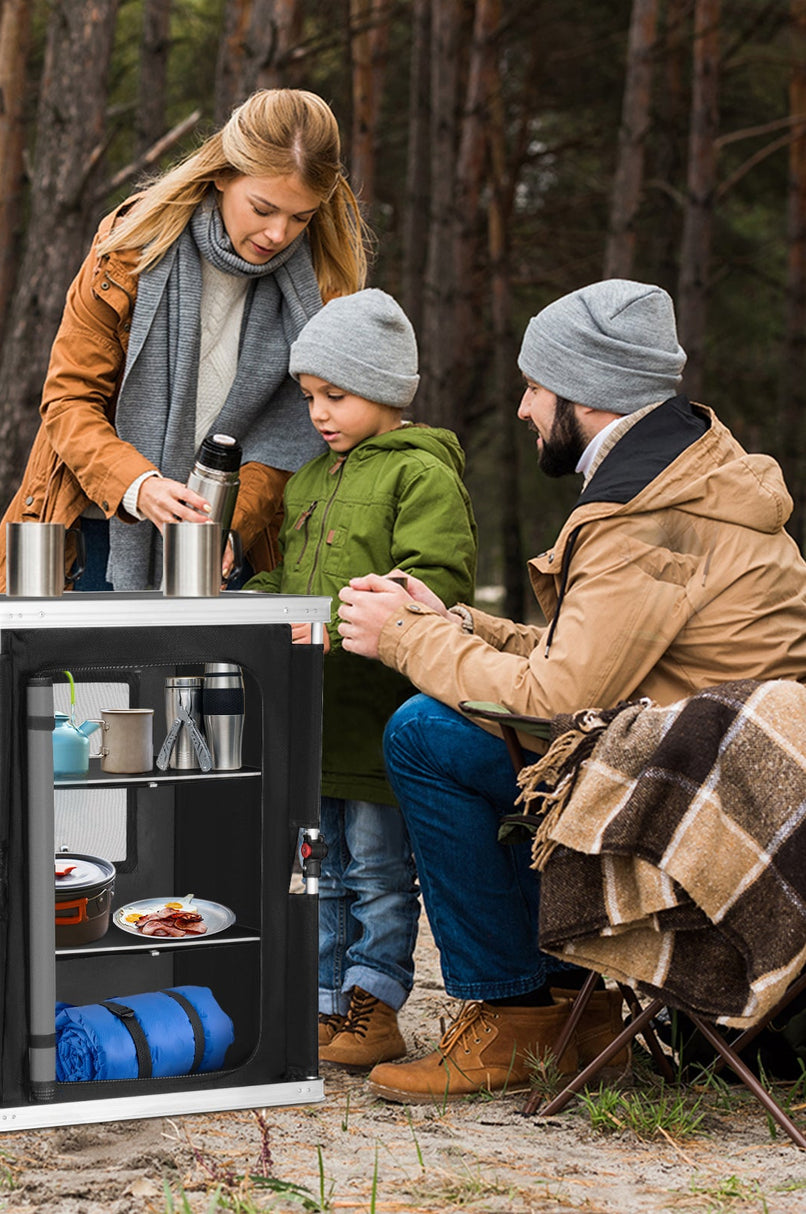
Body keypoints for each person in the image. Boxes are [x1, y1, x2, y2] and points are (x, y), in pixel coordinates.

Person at [336, 279, 806, 1102]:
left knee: (425, 734)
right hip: (722, 778)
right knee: (475, 729)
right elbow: (597, 663)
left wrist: (405, 639)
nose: (522, 409)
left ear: (585, 394)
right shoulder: (687, 481)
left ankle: (520, 1010)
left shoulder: (643, 518)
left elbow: (557, 699)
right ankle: (570, 1010)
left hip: (699, 809)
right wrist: (458, 623)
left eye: (535, 387)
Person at [0, 88, 370, 592]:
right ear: (223, 174)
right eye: (263, 208)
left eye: (300, 218)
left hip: (233, 549)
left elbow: (293, 442)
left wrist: (230, 524)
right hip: (98, 535)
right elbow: (68, 400)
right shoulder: (129, 250)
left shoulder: (319, 290)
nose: (278, 234)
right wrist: (139, 487)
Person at [245, 289, 477, 1070]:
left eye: (334, 396)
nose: (318, 413)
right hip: (317, 719)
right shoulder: (309, 481)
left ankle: (376, 1003)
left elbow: (435, 582)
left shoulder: (424, 476)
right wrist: (246, 602)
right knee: (321, 868)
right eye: (310, 396)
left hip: (381, 718)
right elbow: (293, 582)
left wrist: (369, 625)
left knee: (379, 871)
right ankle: (323, 1004)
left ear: (383, 388)